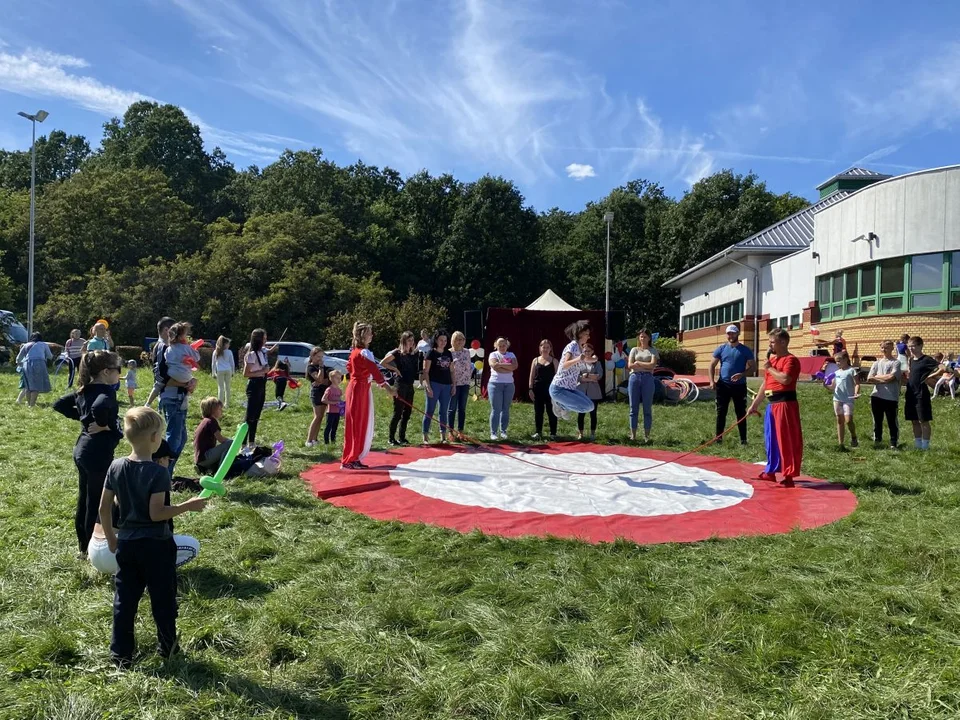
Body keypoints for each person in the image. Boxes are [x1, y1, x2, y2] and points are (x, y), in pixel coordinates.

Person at [98, 406, 208, 668]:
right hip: (157, 546)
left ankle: (121, 655)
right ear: (154, 438)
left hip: (127, 543)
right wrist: (187, 506)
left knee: (124, 601)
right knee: (163, 600)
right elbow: (157, 513)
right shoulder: (158, 473)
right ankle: (168, 648)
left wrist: (113, 539)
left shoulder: (115, 466)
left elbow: (103, 508)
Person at [88, 439, 200, 576]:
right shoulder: (158, 477)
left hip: (95, 551)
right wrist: (188, 505)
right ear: (159, 461)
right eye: (168, 460)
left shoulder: (119, 468)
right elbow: (159, 519)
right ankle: (146, 573)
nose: (169, 464)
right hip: (121, 551)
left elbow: (103, 509)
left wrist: (111, 541)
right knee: (192, 546)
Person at [53, 351, 124, 555]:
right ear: (106, 371)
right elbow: (101, 406)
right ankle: (92, 548)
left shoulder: (84, 389)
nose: (120, 374)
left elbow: (59, 404)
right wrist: (104, 425)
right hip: (96, 453)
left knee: (84, 498)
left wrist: (84, 418)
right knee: (96, 501)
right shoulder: (106, 391)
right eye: (117, 370)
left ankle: (83, 547)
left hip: (82, 450)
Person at [747, 328, 802, 488]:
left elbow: (785, 379)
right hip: (772, 405)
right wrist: (754, 404)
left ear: (783, 342)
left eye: (772, 341)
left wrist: (770, 368)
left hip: (785, 404)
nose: (770, 345)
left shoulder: (790, 360)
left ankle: (789, 474)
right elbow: (765, 385)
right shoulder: (773, 360)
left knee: (785, 439)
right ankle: (771, 471)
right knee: (771, 440)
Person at [341, 322, 395, 469]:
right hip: (359, 389)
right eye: (369, 332)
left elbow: (351, 368)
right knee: (357, 423)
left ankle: (353, 456)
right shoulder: (363, 353)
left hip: (359, 388)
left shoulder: (356, 352)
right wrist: (388, 388)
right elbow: (375, 372)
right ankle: (351, 458)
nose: (372, 335)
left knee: (358, 423)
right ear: (363, 335)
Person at [157, 322, 199, 478]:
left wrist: (190, 381)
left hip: (179, 396)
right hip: (173, 397)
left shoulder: (169, 349)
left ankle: (167, 470)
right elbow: (161, 378)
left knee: (181, 437)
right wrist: (186, 382)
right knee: (174, 438)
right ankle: (163, 473)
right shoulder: (164, 349)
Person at [709, 324, 755, 445]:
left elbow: (753, 367)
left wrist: (742, 374)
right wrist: (712, 381)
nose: (731, 336)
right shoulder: (721, 348)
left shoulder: (745, 350)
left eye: (733, 333)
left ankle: (743, 440)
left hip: (739, 386)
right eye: (729, 333)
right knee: (721, 412)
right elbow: (712, 365)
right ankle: (718, 438)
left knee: (740, 412)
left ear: (738, 334)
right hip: (723, 385)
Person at [193, 397, 261, 476]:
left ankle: (206, 468)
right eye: (219, 409)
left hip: (201, 458)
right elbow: (221, 439)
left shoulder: (205, 421)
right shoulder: (211, 421)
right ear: (212, 410)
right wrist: (234, 442)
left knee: (226, 446)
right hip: (205, 457)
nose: (221, 411)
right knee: (230, 444)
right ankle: (222, 471)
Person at [549, 320, 598, 421]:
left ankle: (561, 405)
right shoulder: (572, 345)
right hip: (559, 388)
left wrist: (594, 359)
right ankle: (560, 405)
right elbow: (565, 364)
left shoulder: (580, 348)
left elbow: (585, 359)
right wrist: (578, 359)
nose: (588, 337)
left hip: (570, 389)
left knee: (590, 406)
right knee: (586, 407)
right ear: (579, 334)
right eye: (586, 334)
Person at [382, 332, 419, 446]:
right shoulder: (397, 353)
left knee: (407, 412)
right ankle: (391, 438)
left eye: (412, 340)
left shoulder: (414, 354)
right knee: (397, 412)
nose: (411, 343)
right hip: (400, 385)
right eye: (409, 340)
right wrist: (395, 369)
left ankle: (402, 437)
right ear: (403, 341)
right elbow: (383, 362)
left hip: (410, 385)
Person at [866, 340, 902, 449]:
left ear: (892, 349)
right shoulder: (876, 363)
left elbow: (892, 377)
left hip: (891, 397)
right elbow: (869, 378)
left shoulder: (896, 362)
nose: (884, 350)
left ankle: (893, 442)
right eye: (882, 347)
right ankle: (877, 440)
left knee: (892, 421)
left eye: (887, 347)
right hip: (876, 396)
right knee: (877, 420)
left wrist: (877, 377)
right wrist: (884, 378)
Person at [904, 336, 939, 450]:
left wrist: (930, 376)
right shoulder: (910, 360)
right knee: (914, 420)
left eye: (913, 346)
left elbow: (942, 367)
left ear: (920, 346)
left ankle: (925, 446)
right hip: (911, 394)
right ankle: (918, 444)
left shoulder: (926, 359)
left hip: (921, 393)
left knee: (923, 420)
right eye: (909, 346)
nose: (911, 349)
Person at [627, 329, 659, 443]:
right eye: (641, 337)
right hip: (634, 378)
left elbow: (652, 365)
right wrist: (638, 365)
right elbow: (630, 365)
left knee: (647, 408)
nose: (642, 339)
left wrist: (639, 363)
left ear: (649, 338)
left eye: (645, 337)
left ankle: (646, 436)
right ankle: (633, 435)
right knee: (633, 408)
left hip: (648, 379)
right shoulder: (634, 350)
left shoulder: (653, 351)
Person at [422, 329, 454, 444]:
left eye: (445, 340)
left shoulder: (448, 353)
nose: (443, 342)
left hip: (446, 385)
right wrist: (428, 386)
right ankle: (425, 435)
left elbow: (452, 371)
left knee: (443, 411)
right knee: (429, 410)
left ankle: (443, 436)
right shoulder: (431, 352)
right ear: (436, 340)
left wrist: (453, 385)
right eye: (441, 340)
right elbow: (426, 371)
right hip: (434, 384)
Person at [826, 350, 860, 449]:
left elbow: (857, 383)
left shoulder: (851, 370)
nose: (837, 363)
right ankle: (841, 444)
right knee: (840, 420)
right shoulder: (836, 373)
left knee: (848, 420)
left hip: (848, 399)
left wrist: (856, 392)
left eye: (839, 361)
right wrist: (826, 385)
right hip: (837, 399)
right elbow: (832, 387)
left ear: (846, 359)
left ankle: (853, 436)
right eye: (836, 361)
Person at [243, 328, 270, 446]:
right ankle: (242, 442)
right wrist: (262, 372)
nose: (265, 340)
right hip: (254, 384)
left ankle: (252, 441)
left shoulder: (261, 353)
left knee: (257, 415)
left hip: (261, 384)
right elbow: (246, 373)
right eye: (264, 338)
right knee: (250, 415)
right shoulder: (251, 354)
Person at [487, 337, 517, 441]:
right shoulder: (493, 354)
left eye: (504, 345)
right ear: (496, 346)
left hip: (509, 385)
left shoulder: (511, 354)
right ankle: (493, 432)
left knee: (506, 409)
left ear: (507, 345)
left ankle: (503, 431)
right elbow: (494, 366)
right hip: (495, 384)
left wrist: (500, 366)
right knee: (496, 409)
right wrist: (507, 367)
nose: (502, 347)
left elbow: (514, 366)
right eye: (500, 345)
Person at [528, 339, 558, 440]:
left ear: (550, 349)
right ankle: (538, 432)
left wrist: (558, 391)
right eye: (543, 347)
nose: (545, 349)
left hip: (551, 390)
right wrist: (530, 388)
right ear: (540, 348)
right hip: (538, 389)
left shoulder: (554, 361)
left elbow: (558, 377)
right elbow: (531, 376)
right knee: (538, 411)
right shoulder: (535, 360)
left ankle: (553, 433)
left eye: (547, 347)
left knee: (551, 411)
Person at [15, 331, 53, 406]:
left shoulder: (26, 345)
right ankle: (32, 405)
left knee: (28, 386)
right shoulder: (43, 344)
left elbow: (18, 358)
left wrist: (19, 364)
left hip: (26, 364)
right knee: (36, 385)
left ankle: (29, 404)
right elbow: (50, 356)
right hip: (39, 364)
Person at [145, 317, 175, 408]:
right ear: (166, 330)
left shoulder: (168, 346)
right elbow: (159, 369)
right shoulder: (161, 346)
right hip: (164, 383)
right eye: (175, 330)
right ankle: (147, 405)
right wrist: (165, 381)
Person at [449, 331, 472, 441]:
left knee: (462, 408)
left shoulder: (467, 352)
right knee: (452, 408)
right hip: (453, 384)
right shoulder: (449, 352)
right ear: (453, 340)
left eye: (462, 339)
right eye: (458, 339)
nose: (460, 341)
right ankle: (450, 431)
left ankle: (460, 431)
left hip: (465, 383)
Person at [305, 347, 331, 447]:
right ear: (312, 356)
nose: (320, 359)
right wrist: (320, 368)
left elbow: (330, 378)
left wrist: (324, 380)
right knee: (317, 416)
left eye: (322, 357)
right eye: (318, 356)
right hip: (316, 393)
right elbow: (319, 379)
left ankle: (315, 439)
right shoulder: (311, 367)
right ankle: (308, 440)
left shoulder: (324, 367)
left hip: (324, 392)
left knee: (321, 417)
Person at [576, 346, 603, 441]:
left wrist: (586, 376)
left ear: (592, 351)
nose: (586, 352)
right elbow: (577, 377)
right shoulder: (579, 363)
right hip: (581, 391)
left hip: (593, 391)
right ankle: (580, 433)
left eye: (588, 351)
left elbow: (599, 375)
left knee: (593, 413)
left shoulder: (597, 363)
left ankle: (592, 433)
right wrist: (591, 378)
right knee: (581, 413)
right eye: (584, 351)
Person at [212, 336, 234, 407]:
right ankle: (227, 404)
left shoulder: (216, 352)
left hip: (220, 371)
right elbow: (232, 363)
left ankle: (220, 404)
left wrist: (213, 372)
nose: (229, 345)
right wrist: (233, 371)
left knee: (220, 388)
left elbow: (213, 363)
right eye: (228, 344)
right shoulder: (229, 352)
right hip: (228, 370)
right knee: (227, 387)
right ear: (225, 344)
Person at [323, 371, 345, 444]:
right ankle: (326, 442)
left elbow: (340, 399)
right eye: (337, 378)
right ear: (331, 379)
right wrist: (334, 403)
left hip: (337, 412)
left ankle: (333, 441)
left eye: (340, 378)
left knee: (335, 428)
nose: (339, 380)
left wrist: (342, 404)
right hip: (330, 412)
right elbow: (323, 400)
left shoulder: (339, 390)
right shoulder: (329, 389)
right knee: (328, 427)